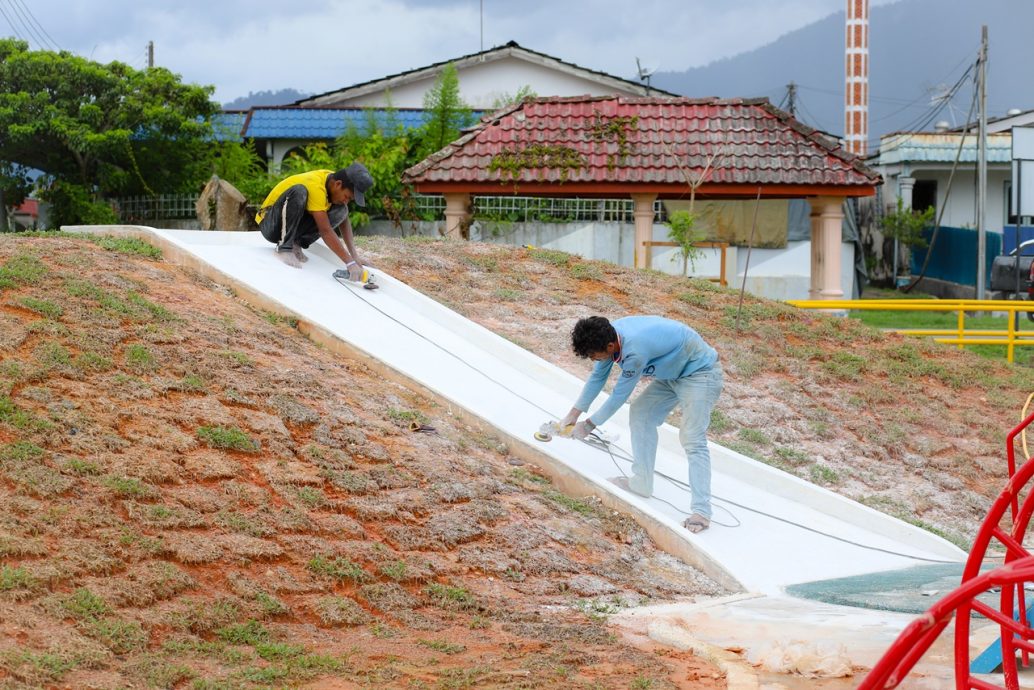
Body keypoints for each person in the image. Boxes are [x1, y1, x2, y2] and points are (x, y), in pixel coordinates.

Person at [561, 315, 723, 533]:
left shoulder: (634, 350)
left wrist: (588, 426)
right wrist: (572, 416)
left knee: (692, 438)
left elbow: (619, 396)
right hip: (673, 374)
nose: (594, 360)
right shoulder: (607, 336)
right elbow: (597, 379)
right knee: (641, 413)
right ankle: (641, 483)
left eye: (594, 356)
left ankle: (702, 512)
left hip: (700, 373)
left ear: (610, 346)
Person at [256, 163, 374, 276]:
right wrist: (349, 262)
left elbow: (344, 219)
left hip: (287, 224)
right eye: (347, 197)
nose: (346, 201)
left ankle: (296, 243)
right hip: (270, 224)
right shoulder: (316, 185)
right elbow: (325, 230)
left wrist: (354, 255)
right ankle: (284, 247)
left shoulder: (333, 181)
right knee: (299, 191)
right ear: (338, 184)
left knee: (342, 210)